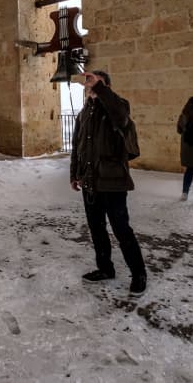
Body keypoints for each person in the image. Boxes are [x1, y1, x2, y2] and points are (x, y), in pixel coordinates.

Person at [70, 71, 147, 296]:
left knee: (122, 230)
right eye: (89, 82)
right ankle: (105, 268)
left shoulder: (118, 106)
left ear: (108, 86)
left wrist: (102, 90)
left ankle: (139, 273)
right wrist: (75, 174)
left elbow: (121, 118)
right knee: (97, 229)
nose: (90, 85)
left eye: (96, 82)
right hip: (90, 181)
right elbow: (77, 147)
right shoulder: (84, 113)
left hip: (113, 182)